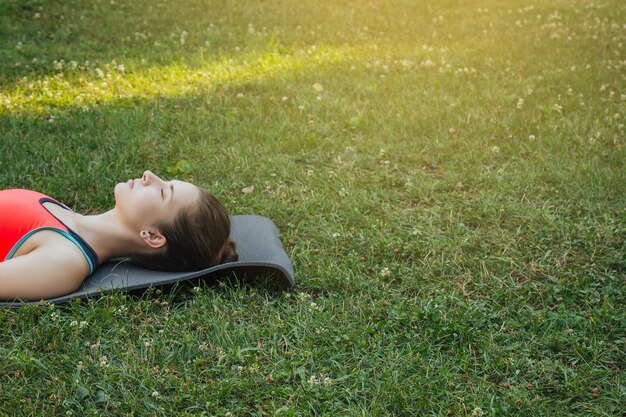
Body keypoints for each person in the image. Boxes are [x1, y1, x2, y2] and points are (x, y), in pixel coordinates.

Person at [0, 170, 238, 301]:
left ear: (153, 236)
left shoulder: (65, 261)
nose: (149, 175)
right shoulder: (68, 217)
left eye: (164, 192)